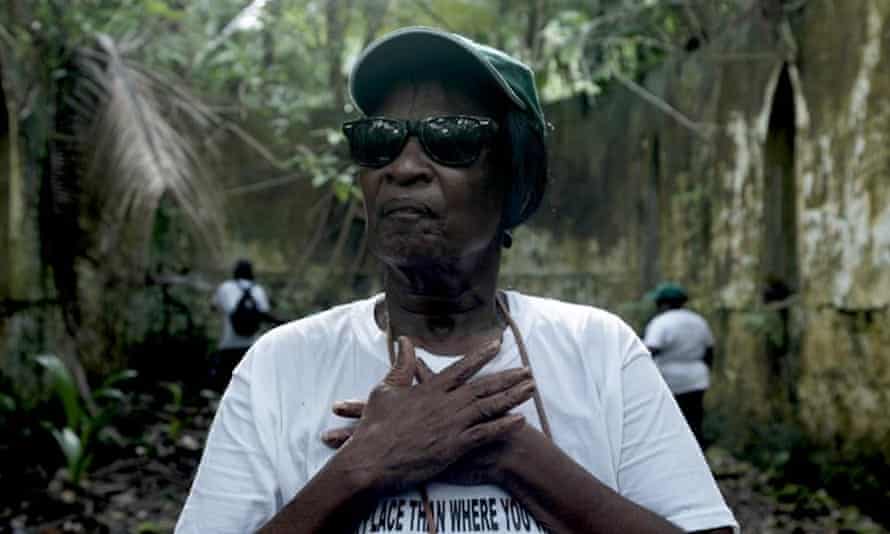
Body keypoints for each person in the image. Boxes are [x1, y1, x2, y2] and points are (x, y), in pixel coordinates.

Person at [177, 27, 737, 533]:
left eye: (451, 137)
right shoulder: (280, 364)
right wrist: (361, 469)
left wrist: (513, 452)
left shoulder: (600, 350)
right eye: (379, 140)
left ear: (514, 178)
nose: (404, 166)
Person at [643, 282, 715, 446]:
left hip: (669, 379)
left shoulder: (661, 322)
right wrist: (706, 370)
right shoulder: (698, 321)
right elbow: (709, 350)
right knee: (694, 419)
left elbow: (652, 349)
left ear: (663, 304)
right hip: (697, 378)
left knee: (669, 422)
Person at [209, 258, 274, 392]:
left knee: (225, 385)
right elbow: (265, 313)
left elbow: (213, 307)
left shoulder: (226, 287)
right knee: (247, 386)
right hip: (251, 346)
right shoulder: (258, 290)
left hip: (228, 345)